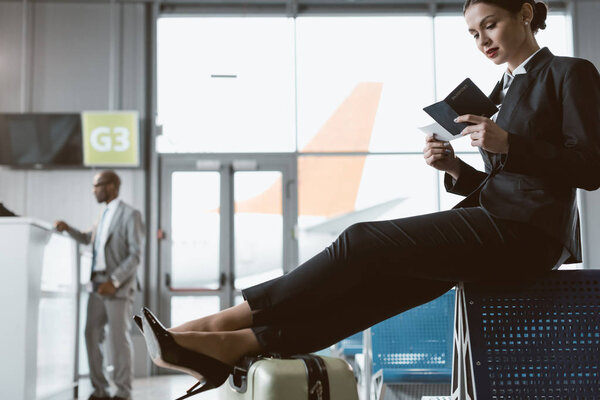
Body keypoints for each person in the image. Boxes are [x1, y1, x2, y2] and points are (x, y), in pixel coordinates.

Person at [136, 0, 600, 397]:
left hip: (527, 236)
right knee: (378, 294)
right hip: (498, 222)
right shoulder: (505, 88)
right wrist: (455, 169)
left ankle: (219, 325)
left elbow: (590, 168)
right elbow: (509, 182)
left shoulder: (569, 73)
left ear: (524, 14)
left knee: (361, 240)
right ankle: (235, 347)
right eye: (473, 33)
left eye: (491, 25)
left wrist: (509, 145)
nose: (482, 40)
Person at [55, 170, 144, 400]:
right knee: (91, 334)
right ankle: (100, 390)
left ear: (112, 186)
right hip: (96, 284)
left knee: (118, 339)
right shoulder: (103, 215)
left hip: (117, 286)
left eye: (97, 185)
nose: (93, 190)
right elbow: (88, 238)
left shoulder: (130, 215)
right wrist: (68, 228)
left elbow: (135, 255)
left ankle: (123, 393)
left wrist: (114, 281)